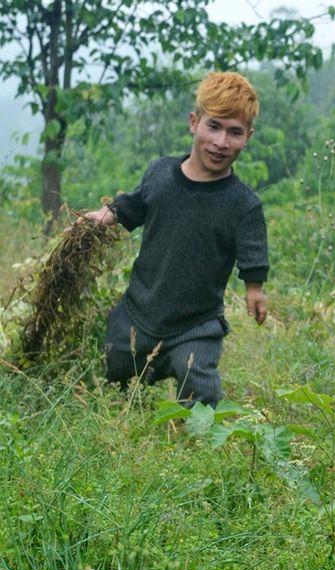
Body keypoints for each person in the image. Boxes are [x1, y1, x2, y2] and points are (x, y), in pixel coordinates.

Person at [81, 71, 269, 408]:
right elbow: (133, 206)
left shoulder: (243, 204)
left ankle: (197, 436)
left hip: (196, 323)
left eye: (234, 132)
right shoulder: (161, 174)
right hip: (140, 310)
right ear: (194, 123)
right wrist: (106, 215)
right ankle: (126, 408)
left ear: (248, 136)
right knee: (113, 365)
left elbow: (253, 250)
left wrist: (254, 289)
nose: (221, 142)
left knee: (199, 384)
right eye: (214, 126)